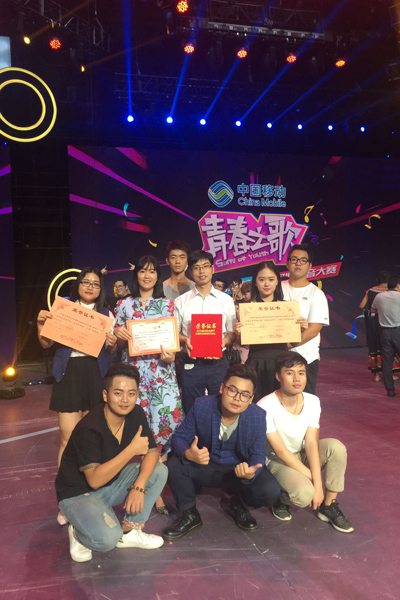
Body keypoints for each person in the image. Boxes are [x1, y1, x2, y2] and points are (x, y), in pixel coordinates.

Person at [55, 363, 168, 562]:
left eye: (131, 394)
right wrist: (131, 450)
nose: (125, 400)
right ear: (105, 395)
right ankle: (78, 532)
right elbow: (94, 481)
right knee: (107, 540)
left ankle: (129, 532)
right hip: (77, 495)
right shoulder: (89, 427)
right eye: (118, 393)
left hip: (110, 484)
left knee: (159, 471)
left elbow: (151, 452)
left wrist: (139, 486)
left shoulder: (136, 413)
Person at [162, 364, 281, 540]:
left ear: (251, 399)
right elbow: (179, 437)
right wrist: (188, 453)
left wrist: (251, 472)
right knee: (174, 464)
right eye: (232, 390)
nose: (237, 398)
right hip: (206, 465)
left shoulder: (257, 416)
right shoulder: (202, 406)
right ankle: (189, 514)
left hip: (236, 472)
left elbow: (257, 453)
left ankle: (240, 505)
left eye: (245, 395)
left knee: (270, 490)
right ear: (222, 388)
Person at [37, 267, 117, 525]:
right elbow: (46, 343)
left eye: (95, 283)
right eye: (86, 282)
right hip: (69, 374)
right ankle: (67, 500)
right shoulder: (63, 308)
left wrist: (113, 343)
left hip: (95, 375)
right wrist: (40, 324)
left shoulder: (106, 314)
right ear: (78, 284)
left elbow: (111, 350)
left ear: (100, 289)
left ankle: (94, 496)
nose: (90, 287)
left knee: (94, 439)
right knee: (68, 439)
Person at [114, 255, 183, 512]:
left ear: (157, 276)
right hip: (134, 377)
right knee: (139, 429)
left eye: (152, 271)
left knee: (163, 429)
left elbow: (171, 344)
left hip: (162, 375)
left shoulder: (167, 305)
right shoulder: (124, 304)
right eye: (142, 271)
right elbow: (115, 343)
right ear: (136, 276)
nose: (147, 276)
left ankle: (155, 488)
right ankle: (145, 488)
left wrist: (171, 356)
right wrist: (119, 335)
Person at [257, 351, 354, 534]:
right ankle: (281, 498)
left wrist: (318, 484)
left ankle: (329, 505)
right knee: (304, 494)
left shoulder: (312, 401)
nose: (297, 378)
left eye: (301, 373)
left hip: (300, 453)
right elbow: (280, 451)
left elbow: (311, 443)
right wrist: (316, 483)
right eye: (290, 373)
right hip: (277, 460)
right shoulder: (265, 406)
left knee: (336, 447)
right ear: (278, 376)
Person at [235, 261, 308, 402]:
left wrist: (300, 330)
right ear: (255, 282)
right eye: (262, 279)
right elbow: (242, 343)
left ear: (277, 282)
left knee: (281, 403)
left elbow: (294, 342)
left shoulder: (287, 308)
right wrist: (239, 332)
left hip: (281, 364)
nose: (266, 284)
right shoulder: (248, 309)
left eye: (271, 279)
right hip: (256, 363)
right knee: (255, 404)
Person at [174, 250, 237, 415]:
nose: (201, 271)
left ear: (212, 269)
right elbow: (174, 333)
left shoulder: (226, 300)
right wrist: (185, 340)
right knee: (192, 410)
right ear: (190, 272)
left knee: (222, 408)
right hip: (192, 364)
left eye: (205, 266)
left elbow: (232, 333)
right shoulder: (180, 301)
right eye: (196, 267)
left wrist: (221, 343)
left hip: (219, 364)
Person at [281, 244, 329, 395]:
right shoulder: (277, 288)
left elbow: (314, 330)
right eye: (294, 259)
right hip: (277, 358)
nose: (298, 263)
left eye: (303, 260)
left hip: (305, 358)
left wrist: (287, 344)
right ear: (287, 263)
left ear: (310, 266)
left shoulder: (316, 294)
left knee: (304, 401)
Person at [359, 271, 399, 382]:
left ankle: (376, 375)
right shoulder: (393, 292)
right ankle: (391, 374)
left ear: (377, 279)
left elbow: (361, 305)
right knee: (390, 347)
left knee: (374, 345)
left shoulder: (370, 291)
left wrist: (365, 313)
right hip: (388, 322)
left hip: (373, 322)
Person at [371, 274, 400, 397]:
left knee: (387, 362)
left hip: (385, 332)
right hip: (398, 330)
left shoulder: (379, 297)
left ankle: (390, 390)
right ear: (398, 285)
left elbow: (373, 310)